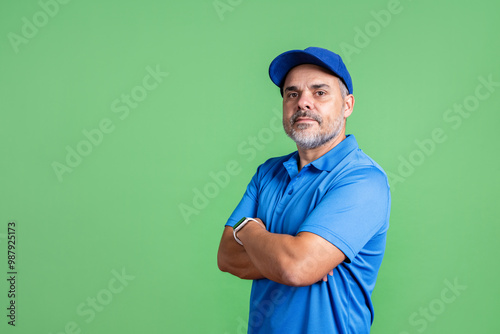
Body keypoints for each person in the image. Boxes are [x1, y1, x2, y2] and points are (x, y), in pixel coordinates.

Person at [217, 47, 391, 333]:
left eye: (319, 92)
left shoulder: (362, 179)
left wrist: (248, 231)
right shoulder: (267, 172)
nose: (303, 103)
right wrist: (294, 260)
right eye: (292, 93)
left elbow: (297, 267)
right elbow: (226, 256)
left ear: (347, 105)